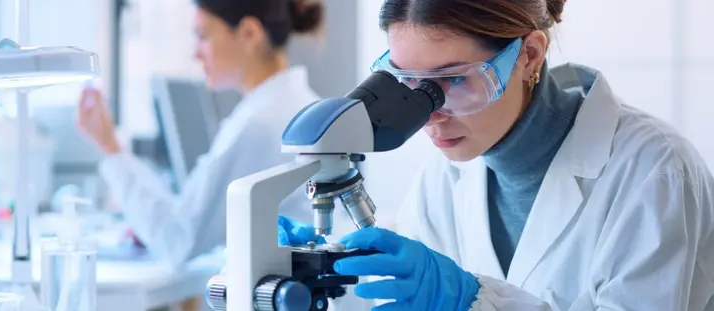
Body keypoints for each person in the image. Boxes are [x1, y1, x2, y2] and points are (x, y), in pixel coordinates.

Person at [279, 0, 714, 309]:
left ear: (528, 56)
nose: (428, 116)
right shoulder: (446, 177)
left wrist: (471, 301)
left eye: (451, 80)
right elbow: (405, 296)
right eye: (406, 82)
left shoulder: (654, 172)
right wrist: (334, 271)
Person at [78, 0, 325, 268]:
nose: (196, 54)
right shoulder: (295, 104)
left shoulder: (259, 124)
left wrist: (111, 149)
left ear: (249, 34)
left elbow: (176, 239)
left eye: (203, 35)